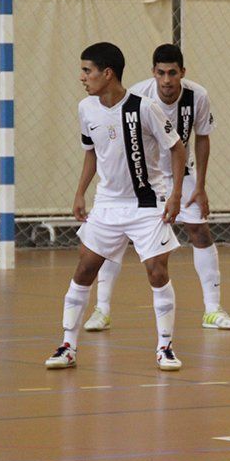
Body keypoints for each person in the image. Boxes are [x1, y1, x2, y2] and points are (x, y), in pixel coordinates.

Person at [45, 42, 187, 372]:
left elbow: (177, 149)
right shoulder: (86, 108)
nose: (82, 77)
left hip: (147, 203)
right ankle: (68, 345)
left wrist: (177, 194)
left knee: (157, 271)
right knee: (84, 269)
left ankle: (165, 347)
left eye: (87, 71)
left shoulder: (146, 108)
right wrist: (80, 192)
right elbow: (91, 152)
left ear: (107, 74)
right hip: (108, 203)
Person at [84, 44, 230, 333]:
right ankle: (101, 309)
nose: (166, 80)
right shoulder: (140, 95)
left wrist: (200, 186)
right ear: (152, 72)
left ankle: (213, 309)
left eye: (172, 73)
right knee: (114, 237)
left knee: (200, 230)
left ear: (182, 72)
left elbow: (202, 138)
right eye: (161, 73)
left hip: (184, 172)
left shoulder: (198, 95)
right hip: (144, 177)